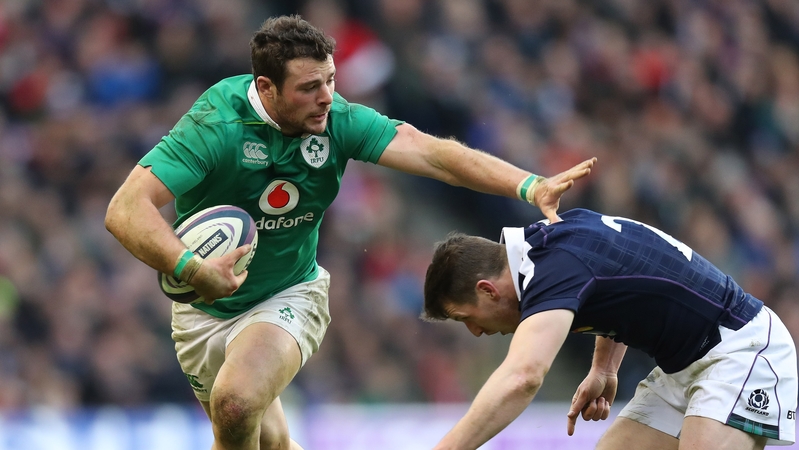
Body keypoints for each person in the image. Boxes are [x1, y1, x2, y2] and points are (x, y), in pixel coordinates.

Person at [104, 14, 596, 450]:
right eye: (309, 88)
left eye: (331, 81)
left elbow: (429, 152)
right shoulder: (216, 126)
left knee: (235, 406)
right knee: (268, 439)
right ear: (266, 87)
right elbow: (126, 209)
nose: (327, 98)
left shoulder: (337, 120)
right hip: (201, 310)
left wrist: (527, 184)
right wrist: (191, 268)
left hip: (287, 293)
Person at [423, 208, 798, 450]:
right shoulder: (546, 248)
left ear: (486, 290)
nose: (473, 331)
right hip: (685, 365)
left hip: (741, 349)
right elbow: (617, 278)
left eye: (464, 317)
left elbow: (523, 377)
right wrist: (604, 367)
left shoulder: (551, 270)